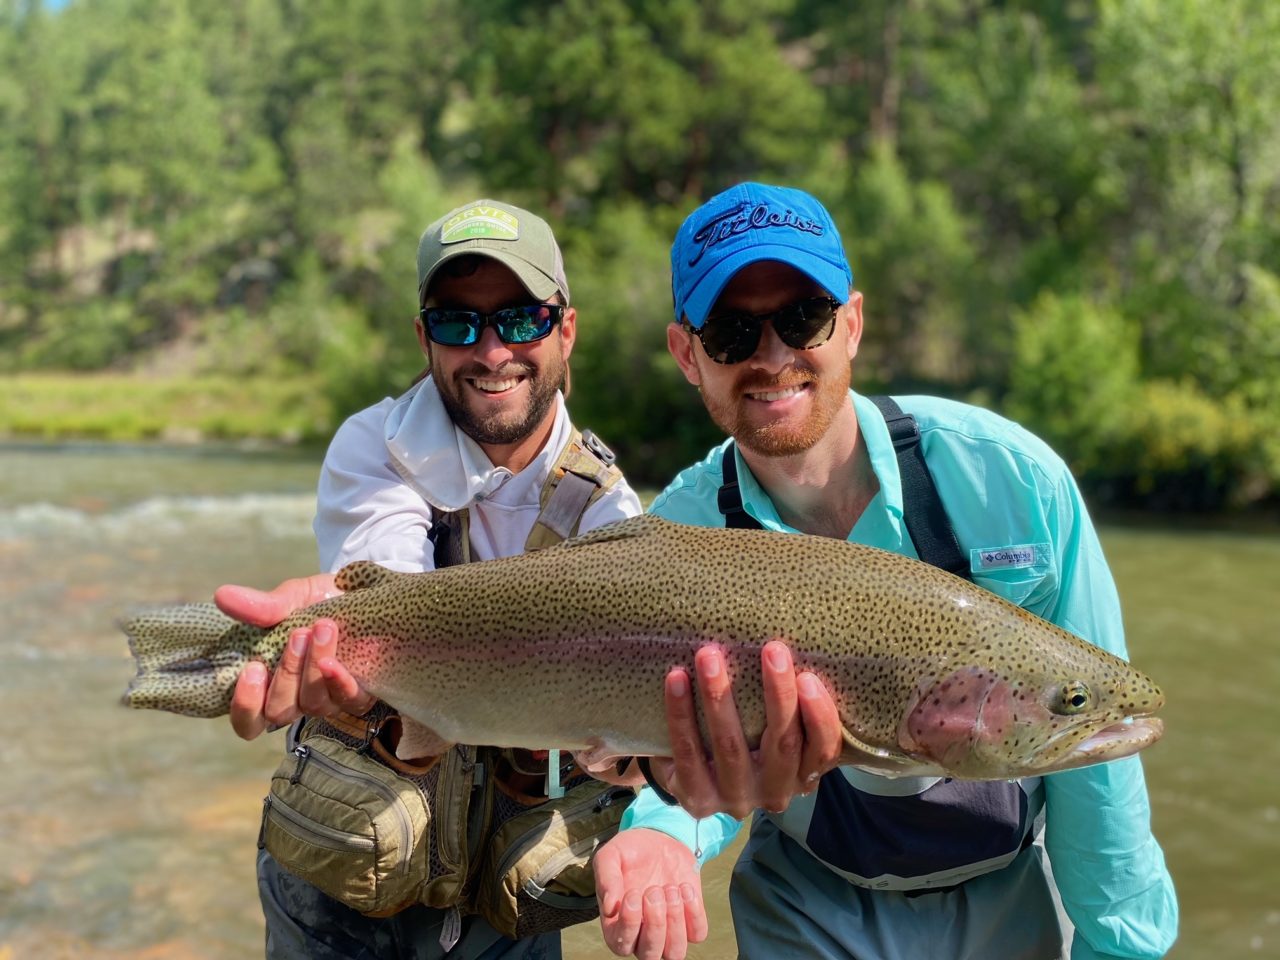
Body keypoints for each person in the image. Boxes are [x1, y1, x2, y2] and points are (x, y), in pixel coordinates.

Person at [592, 182, 1179, 960]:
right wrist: (662, 837)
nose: (773, 358)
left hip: (1008, 894)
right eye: (733, 334)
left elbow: (1095, 786)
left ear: (853, 325)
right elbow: (690, 753)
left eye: (804, 319)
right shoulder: (679, 537)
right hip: (805, 899)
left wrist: (1123, 948)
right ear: (686, 356)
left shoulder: (1011, 483)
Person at [216, 198, 644, 960]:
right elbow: (400, 613)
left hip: (501, 902)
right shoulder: (373, 447)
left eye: (519, 319)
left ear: (565, 330)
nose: (490, 351)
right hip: (340, 881)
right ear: (424, 338)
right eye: (456, 322)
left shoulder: (610, 507)